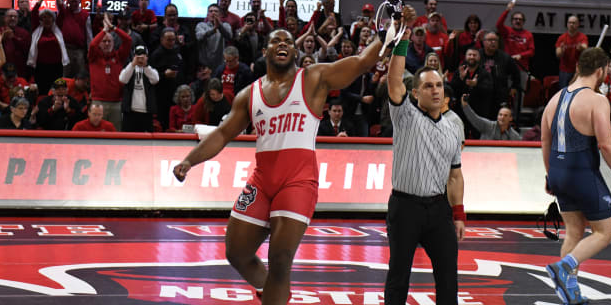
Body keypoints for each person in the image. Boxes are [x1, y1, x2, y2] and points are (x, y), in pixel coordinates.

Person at [173, 23, 386, 304]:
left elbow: (361, 63)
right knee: (236, 253)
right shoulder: (249, 94)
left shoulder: (313, 78)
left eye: (288, 41)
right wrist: (190, 161)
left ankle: (276, 289)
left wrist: (386, 33)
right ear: (265, 51)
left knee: (280, 259)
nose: (283, 44)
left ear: (296, 51)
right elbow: (224, 133)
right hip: (262, 180)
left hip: (297, 180)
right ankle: (272, 289)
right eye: (276, 41)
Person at [385, 21, 465, 303]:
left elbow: (455, 176)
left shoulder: (454, 127)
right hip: (405, 207)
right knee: (399, 277)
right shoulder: (405, 115)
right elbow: (394, 82)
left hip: (438, 208)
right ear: (416, 93)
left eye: (440, 85)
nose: (435, 90)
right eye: (428, 86)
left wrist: (458, 213)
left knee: (448, 277)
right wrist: (402, 42)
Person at [542, 47, 611, 304]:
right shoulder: (597, 100)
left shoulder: (554, 98)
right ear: (600, 71)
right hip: (582, 173)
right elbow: (606, 144)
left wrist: (550, 175)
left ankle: (570, 294)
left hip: (557, 171)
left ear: (578, 68)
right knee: (604, 232)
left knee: (574, 232)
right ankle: (564, 266)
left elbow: (545, 141)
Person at [119, 45, 160, 132]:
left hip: (146, 112)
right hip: (130, 112)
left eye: (143, 55)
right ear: (134, 56)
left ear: (147, 57)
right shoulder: (129, 68)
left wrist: (145, 66)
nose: (140, 58)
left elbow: (155, 79)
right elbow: (122, 79)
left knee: (146, 142)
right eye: (138, 55)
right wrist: (133, 64)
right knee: (128, 140)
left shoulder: (150, 69)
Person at [556, 15, 588, 88]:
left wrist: (581, 47)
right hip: (564, 70)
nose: (571, 25)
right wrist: (562, 50)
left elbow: (585, 48)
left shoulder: (582, 37)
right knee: (564, 91)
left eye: (573, 23)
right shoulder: (562, 38)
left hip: (578, 70)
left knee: (576, 91)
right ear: (567, 24)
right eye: (569, 22)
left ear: (577, 24)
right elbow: (558, 55)